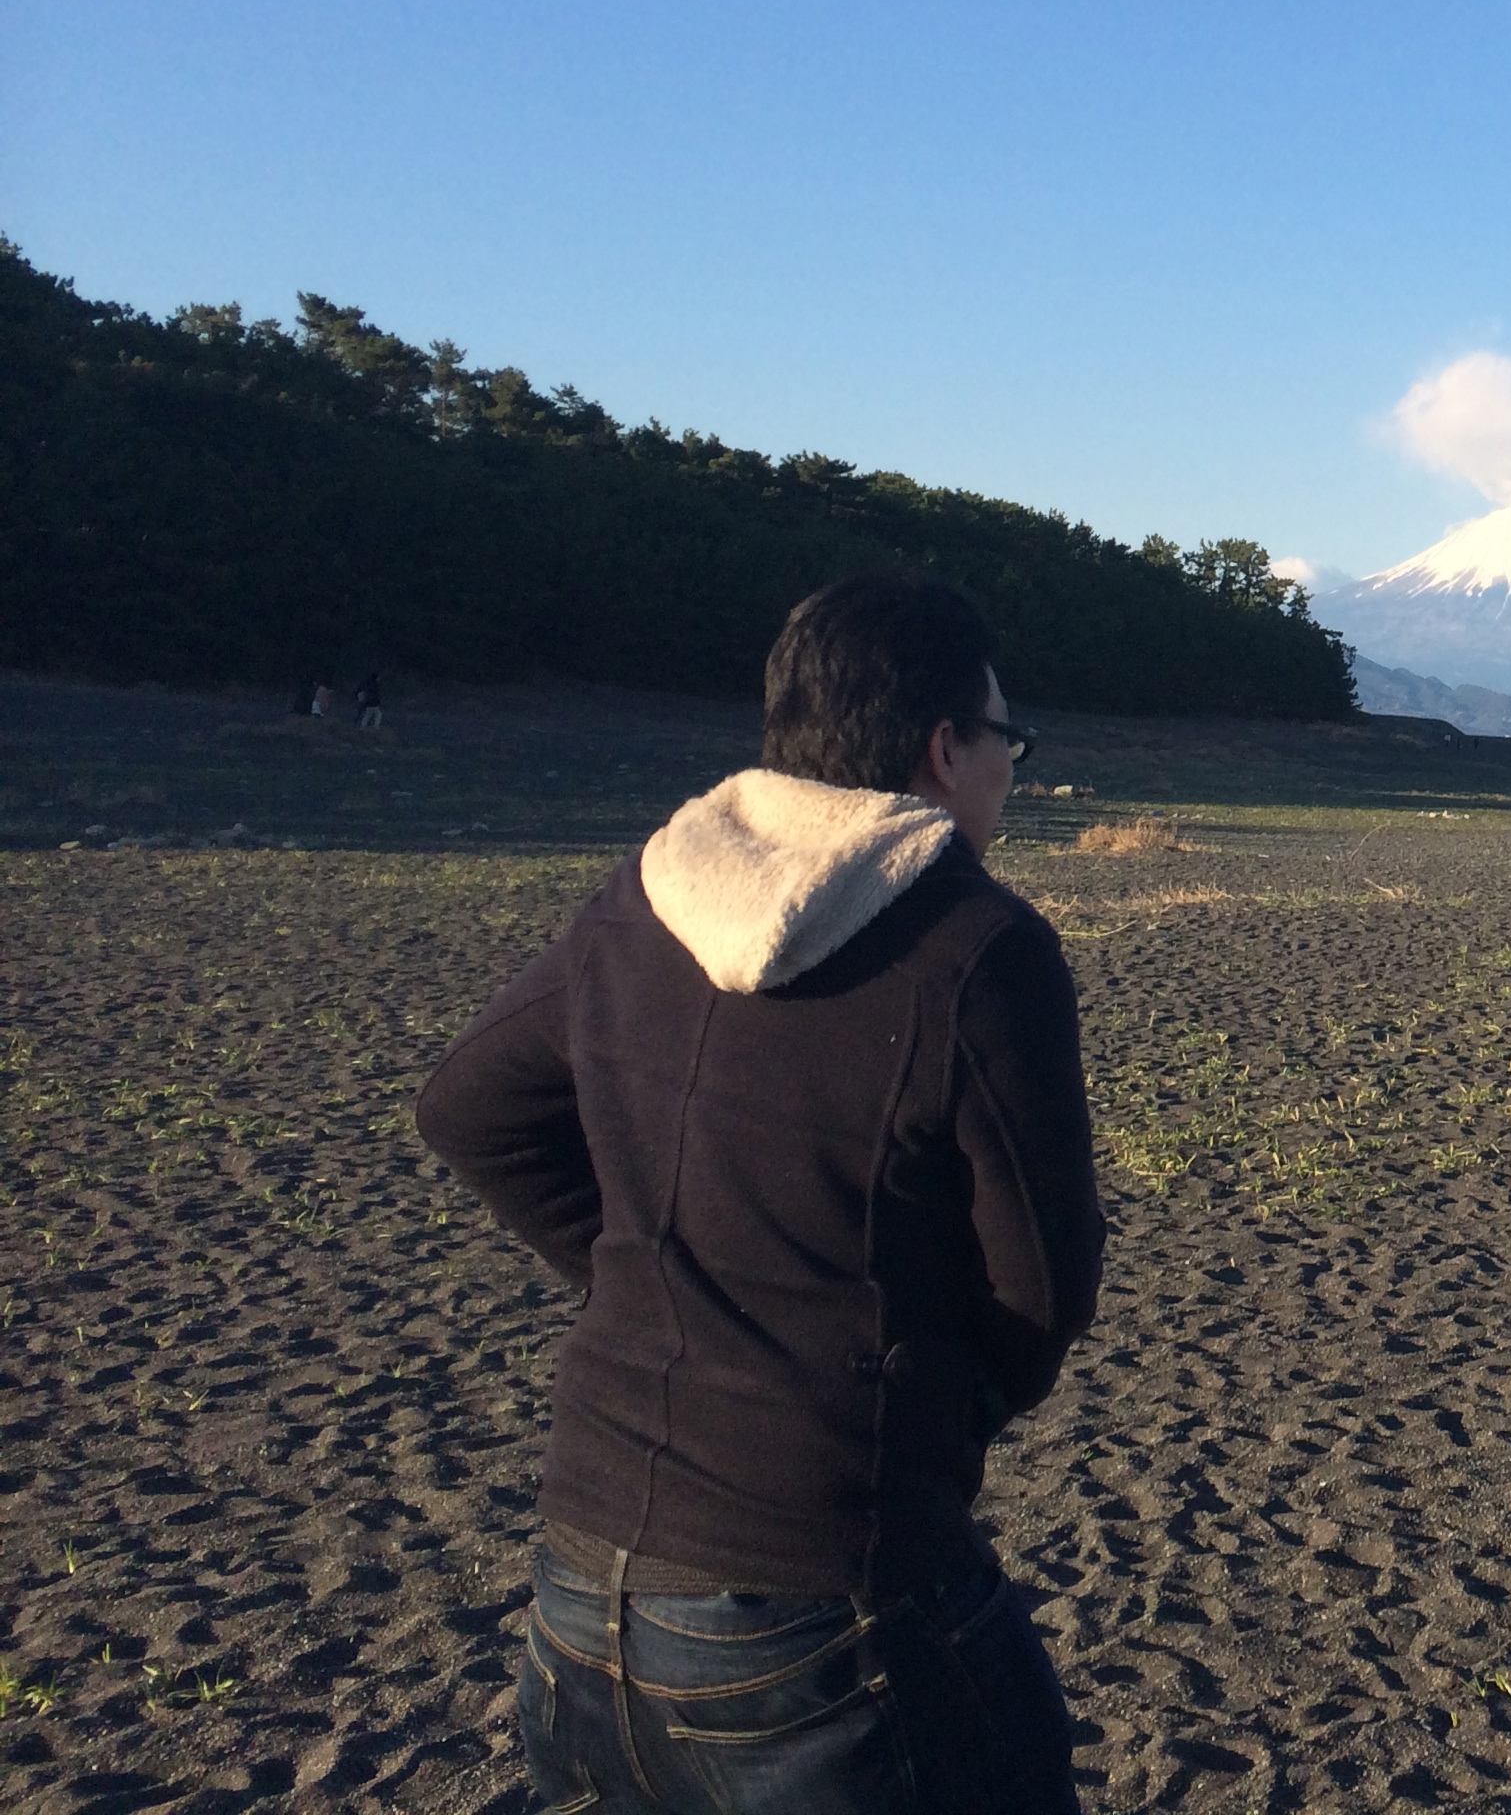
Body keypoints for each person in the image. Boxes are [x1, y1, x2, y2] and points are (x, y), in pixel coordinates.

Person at [416, 575, 1106, 1813]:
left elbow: (470, 1109)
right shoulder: (975, 946)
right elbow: (1043, 1283)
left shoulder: (645, 899)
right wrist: (933, 1395)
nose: (1012, 766)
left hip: (582, 1584)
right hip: (828, 1593)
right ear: (945, 748)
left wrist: (639, 1270)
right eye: (1008, 737)